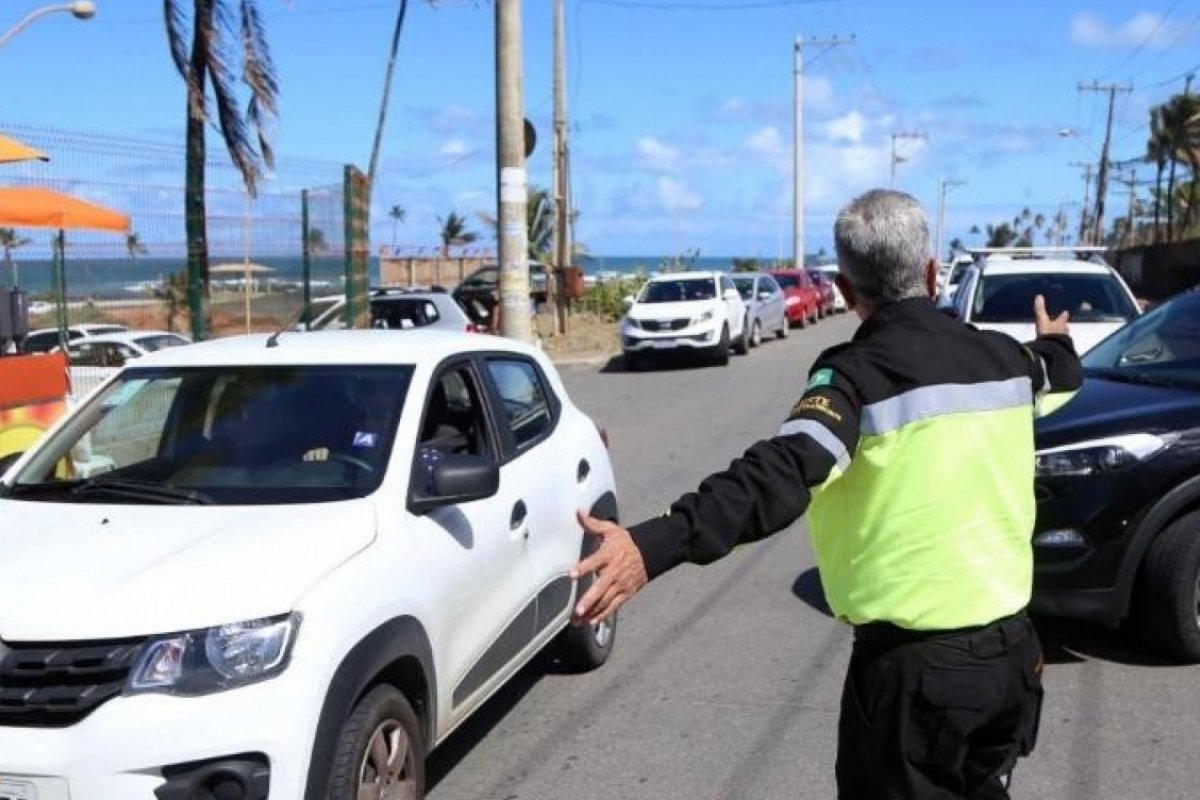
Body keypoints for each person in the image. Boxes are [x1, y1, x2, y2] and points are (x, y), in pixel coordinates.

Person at [570, 189, 1083, 800]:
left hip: (915, 679)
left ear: (844, 290)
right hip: (1012, 658)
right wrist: (1055, 338)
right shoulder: (1005, 359)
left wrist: (652, 545)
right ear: (930, 274)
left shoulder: (852, 378)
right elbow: (1058, 368)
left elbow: (781, 471)